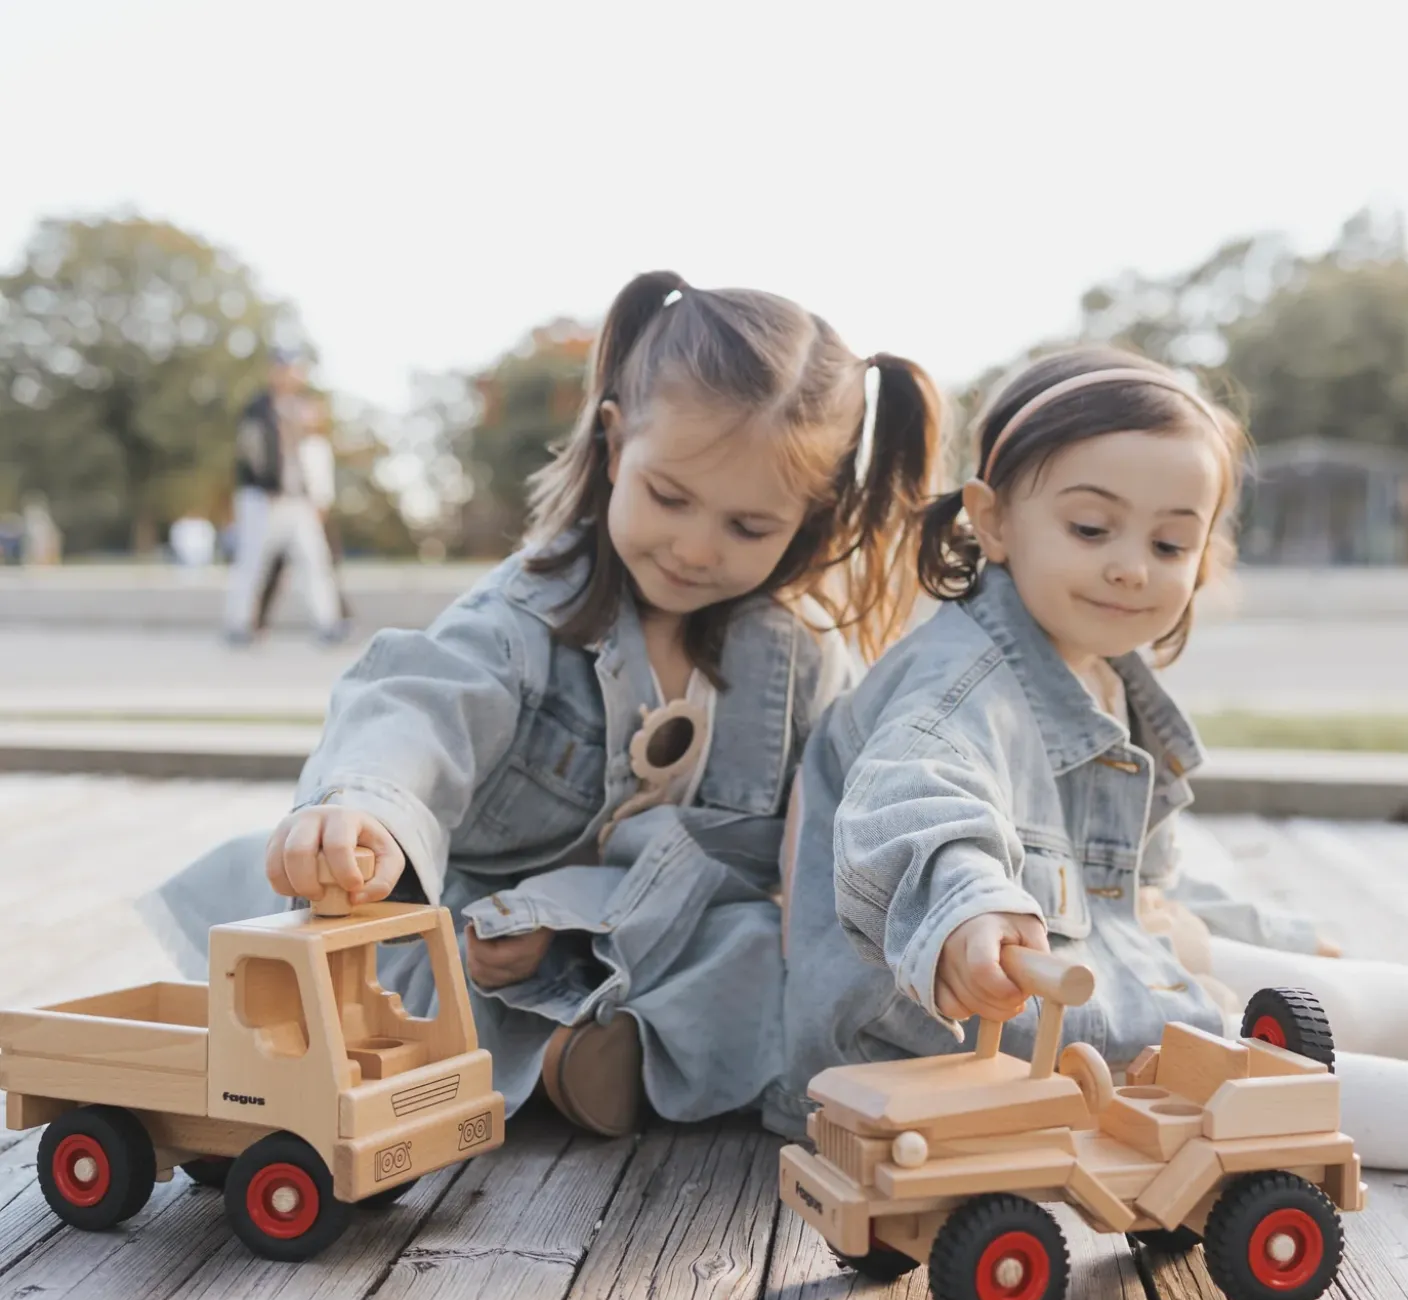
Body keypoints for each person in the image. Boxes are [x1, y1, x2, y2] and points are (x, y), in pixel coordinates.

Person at [140, 270, 941, 1138]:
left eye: (750, 527)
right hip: (483, 941)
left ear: (812, 519)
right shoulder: (522, 617)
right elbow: (418, 705)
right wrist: (363, 806)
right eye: (668, 497)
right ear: (613, 443)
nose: (696, 546)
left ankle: (612, 1050)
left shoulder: (803, 660)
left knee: (769, 957)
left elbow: (856, 809)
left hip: (657, 946)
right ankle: (584, 1058)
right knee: (392, 979)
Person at [771, 345, 1408, 1170]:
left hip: (1102, 961)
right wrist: (965, 909)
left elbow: (1134, 890)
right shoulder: (957, 685)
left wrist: (1278, 935)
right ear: (992, 520)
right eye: (1091, 528)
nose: (1131, 567)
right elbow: (915, 798)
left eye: (1170, 545)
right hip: (967, 1030)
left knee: (1372, 998)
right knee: (1274, 1087)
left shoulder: (1099, 672)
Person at [223, 350, 345, 645]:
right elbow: (251, 450)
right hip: (264, 498)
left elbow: (313, 453)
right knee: (252, 563)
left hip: (298, 500)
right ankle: (238, 624)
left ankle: (328, 624)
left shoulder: (304, 408)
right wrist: (265, 486)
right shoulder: (258, 408)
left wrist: (317, 497)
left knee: (315, 561)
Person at [252, 397, 351, 635]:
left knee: (318, 566)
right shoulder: (281, 441)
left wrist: (319, 511)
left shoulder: (316, 446)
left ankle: (331, 621)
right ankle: (254, 623)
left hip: (306, 510)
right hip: (279, 508)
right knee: (268, 567)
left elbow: (322, 484)